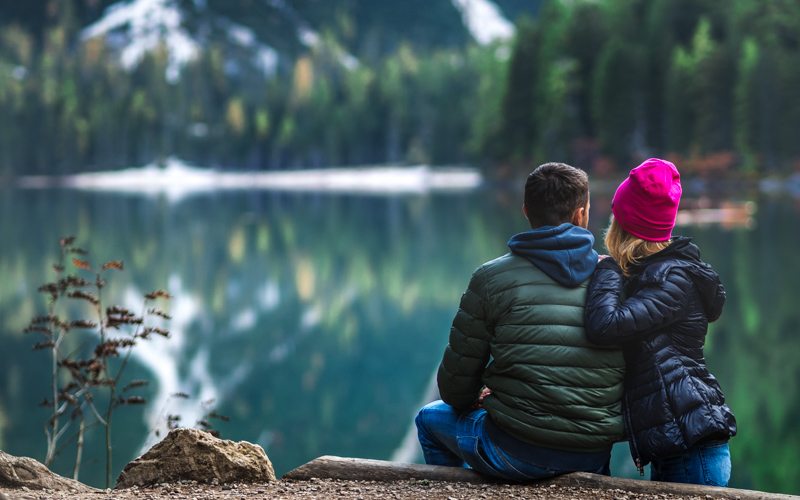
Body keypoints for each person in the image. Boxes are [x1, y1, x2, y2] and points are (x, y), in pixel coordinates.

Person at [415, 162, 626, 481]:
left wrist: (483, 395)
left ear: (527, 211)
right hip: (593, 456)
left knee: (430, 419)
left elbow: (455, 390)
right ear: (582, 214)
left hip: (513, 453)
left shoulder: (490, 278)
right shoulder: (615, 279)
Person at [584, 158, 737, 486]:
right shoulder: (653, 274)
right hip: (678, 442)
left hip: (691, 447)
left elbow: (605, 325)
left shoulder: (672, 280)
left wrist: (607, 269)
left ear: (623, 226)